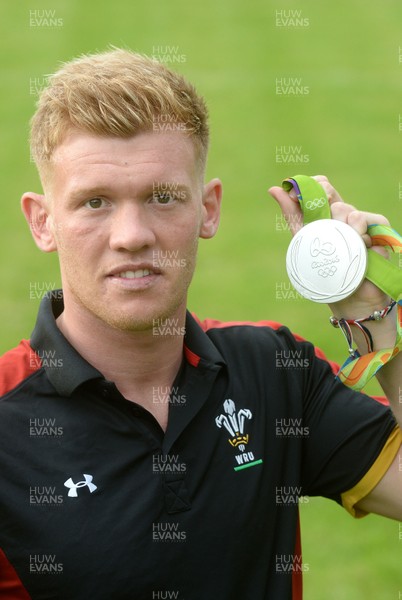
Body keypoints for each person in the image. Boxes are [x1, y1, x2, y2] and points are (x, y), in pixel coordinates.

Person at [0, 48, 400, 600]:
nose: (132, 235)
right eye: (95, 202)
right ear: (42, 222)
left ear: (208, 210)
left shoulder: (274, 372)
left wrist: (370, 315)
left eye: (163, 197)